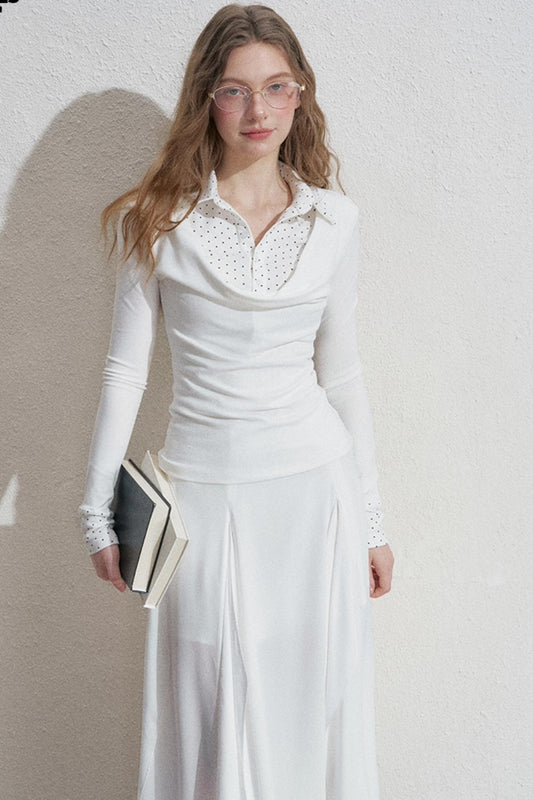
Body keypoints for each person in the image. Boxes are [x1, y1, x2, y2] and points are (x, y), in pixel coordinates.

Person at [78, 4, 394, 799]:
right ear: (205, 99)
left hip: (315, 500)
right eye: (234, 89)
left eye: (276, 87)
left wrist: (370, 521)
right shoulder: (156, 220)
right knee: (210, 717)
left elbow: (341, 374)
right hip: (203, 505)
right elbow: (124, 371)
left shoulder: (334, 219)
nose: (258, 110)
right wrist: (95, 511)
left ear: (299, 95)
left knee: (312, 711)